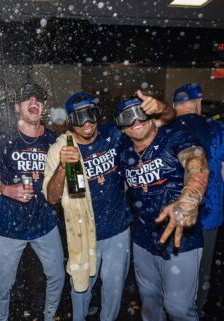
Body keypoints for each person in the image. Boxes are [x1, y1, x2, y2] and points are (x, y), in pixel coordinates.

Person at [43, 91, 174, 321]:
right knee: (80, 289)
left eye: (91, 115)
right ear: (70, 121)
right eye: (79, 117)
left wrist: (162, 107)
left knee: (113, 289)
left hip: (117, 230)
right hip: (83, 233)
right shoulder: (60, 149)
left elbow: (162, 123)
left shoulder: (114, 134)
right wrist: (63, 166)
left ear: (98, 115)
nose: (86, 124)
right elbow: (52, 198)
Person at [116, 95, 208, 321]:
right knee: (150, 304)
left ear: (152, 116)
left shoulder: (174, 137)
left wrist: (189, 199)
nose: (136, 120)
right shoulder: (124, 151)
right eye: (128, 117)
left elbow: (195, 162)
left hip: (180, 237)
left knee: (178, 308)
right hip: (143, 239)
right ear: (122, 128)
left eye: (141, 112)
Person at [0, 83, 65, 321]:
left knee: (57, 276)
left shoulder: (54, 140)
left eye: (39, 98)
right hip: (10, 227)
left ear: (42, 107)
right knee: (2, 285)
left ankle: (49, 316)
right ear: (18, 108)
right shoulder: (4, 139)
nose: (34, 101)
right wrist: (6, 190)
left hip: (45, 224)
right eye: (27, 98)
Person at [172, 83, 224, 314]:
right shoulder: (219, 129)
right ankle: (198, 309)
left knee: (175, 269)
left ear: (175, 106)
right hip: (210, 215)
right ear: (199, 102)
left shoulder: (167, 129)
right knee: (202, 271)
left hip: (177, 214)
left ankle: (176, 309)